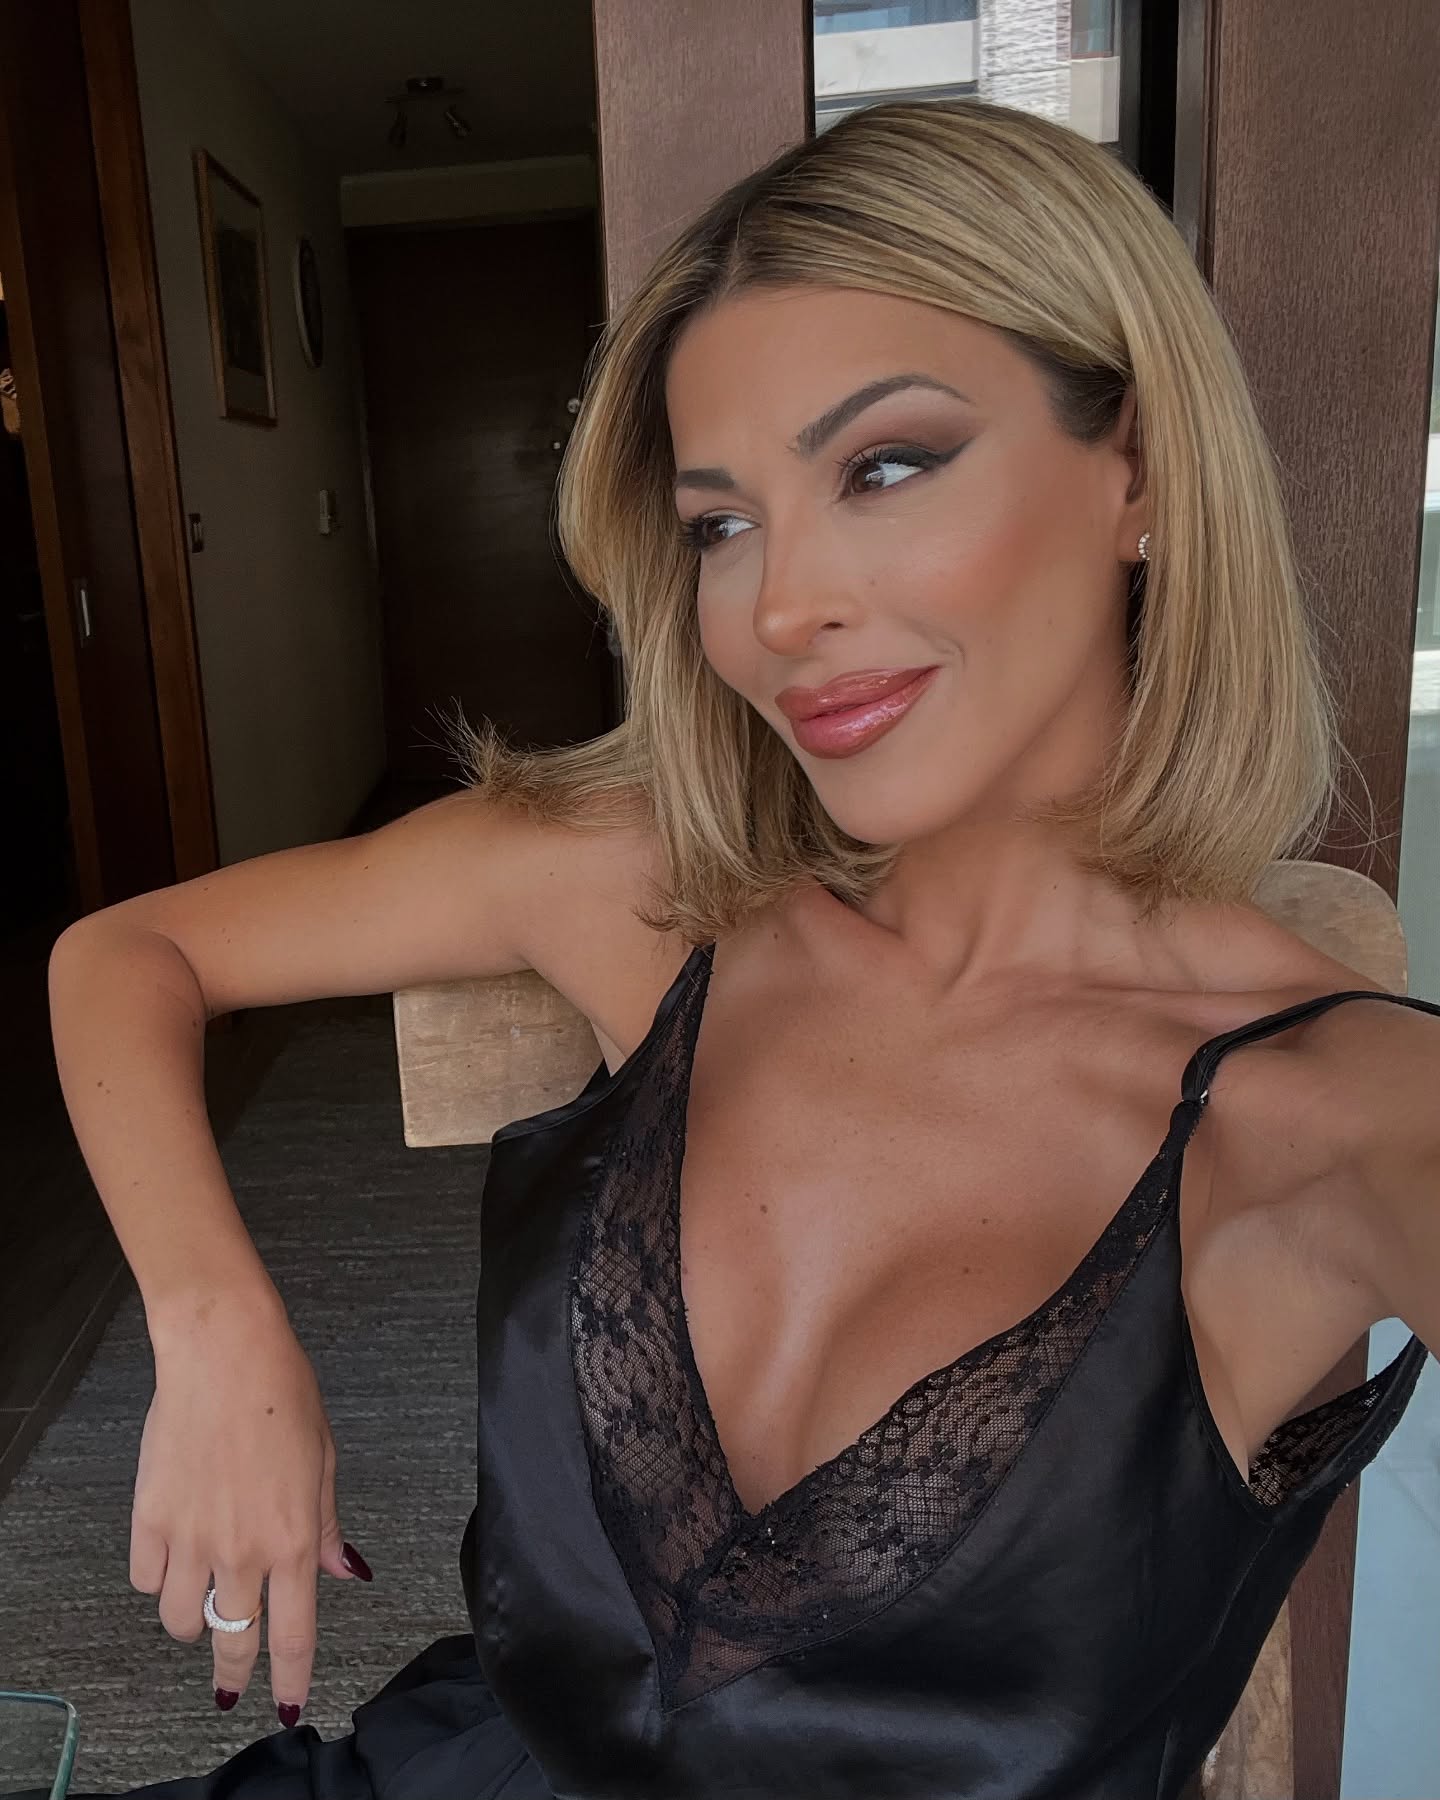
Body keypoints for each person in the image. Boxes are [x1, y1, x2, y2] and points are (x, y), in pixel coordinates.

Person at [18, 95, 1440, 1799]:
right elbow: (126, 956)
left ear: (1136, 471)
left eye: (885, 467)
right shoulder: (657, 887)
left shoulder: (1342, 1117)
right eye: (721, 524)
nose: (778, 610)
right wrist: (215, 1329)